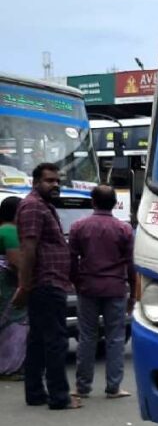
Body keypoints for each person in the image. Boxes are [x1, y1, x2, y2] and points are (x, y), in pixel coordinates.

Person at [12, 163, 80, 409]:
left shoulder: (43, 206)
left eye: (57, 181)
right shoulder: (32, 207)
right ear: (36, 183)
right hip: (45, 283)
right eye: (49, 180)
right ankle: (59, 397)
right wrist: (25, 284)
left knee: (39, 340)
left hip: (50, 282)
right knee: (56, 341)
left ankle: (36, 393)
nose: (55, 185)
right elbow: (28, 249)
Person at [69, 184, 134, 399]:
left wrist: (76, 281)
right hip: (115, 287)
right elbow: (131, 264)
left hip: (87, 286)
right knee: (115, 337)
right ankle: (114, 387)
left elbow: (72, 259)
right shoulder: (124, 229)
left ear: (93, 202)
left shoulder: (79, 226)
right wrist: (134, 293)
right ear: (115, 203)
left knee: (87, 336)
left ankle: (82, 387)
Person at [0, 196, 27, 378]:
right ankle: (9, 367)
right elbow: (16, 262)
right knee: (15, 325)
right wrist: (25, 285)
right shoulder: (10, 231)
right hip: (8, 285)